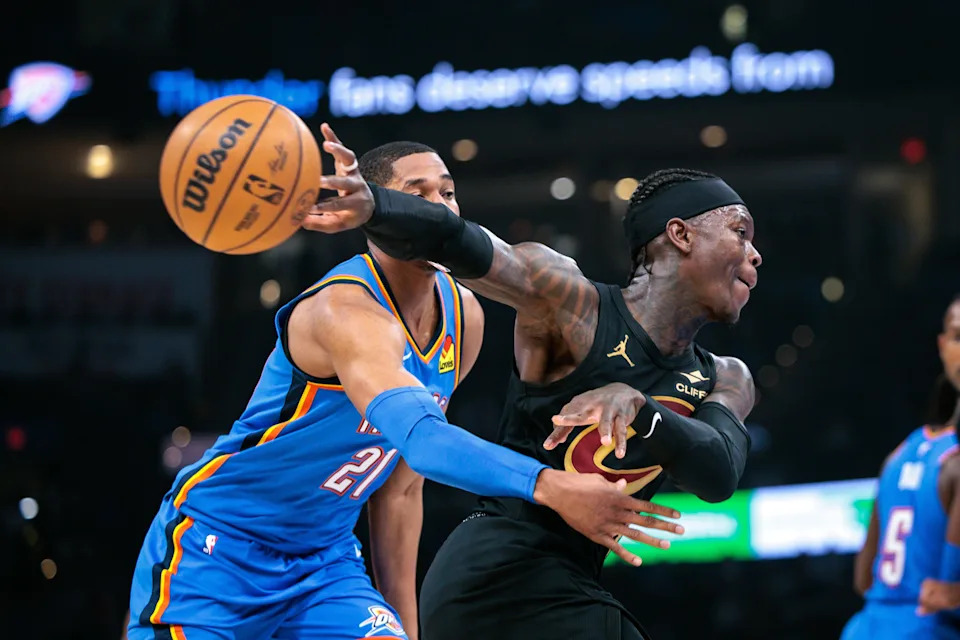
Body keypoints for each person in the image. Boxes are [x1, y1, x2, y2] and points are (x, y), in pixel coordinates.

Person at [125, 137, 681, 640]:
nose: (440, 207)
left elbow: (400, 490)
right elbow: (421, 439)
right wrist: (550, 486)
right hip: (218, 551)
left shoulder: (464, 315)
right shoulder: (345, 312)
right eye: (418, 193)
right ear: (377, 213)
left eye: (448, 191)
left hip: (325, 565)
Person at [305, 126, 760, 639]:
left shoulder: (726, 376)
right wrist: (377, 208)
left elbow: (718, 472)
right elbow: (457, 240)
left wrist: (640, 408)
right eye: (740, 232)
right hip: (496, 573)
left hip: (573, 582)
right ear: (681, 235)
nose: (755, 254)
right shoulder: (571, 303)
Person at [842, 295, 960, 640]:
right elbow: (944, 593)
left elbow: (864, 580)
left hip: (867, 628)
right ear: (941, 346)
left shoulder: (901, 452)